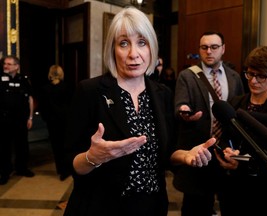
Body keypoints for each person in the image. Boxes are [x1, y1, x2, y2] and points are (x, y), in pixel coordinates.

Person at [63, 7, 215, 216]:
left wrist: (185, 155)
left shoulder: (162, 93)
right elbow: (70, 162)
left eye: (141, 43)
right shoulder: (90, 91)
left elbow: (168, 151)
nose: (134, 54)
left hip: (151, 206)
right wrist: (93, 157)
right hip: (101, 206)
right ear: (112, 49)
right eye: (124, 43)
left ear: (151, 48)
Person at [171, 31, 244, 216]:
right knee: (196, 206)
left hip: (226, 151)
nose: (209, 51)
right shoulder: (187, 76)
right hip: (199, 149)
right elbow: (180, 104)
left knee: (230, 203)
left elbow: (239, 111)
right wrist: (185, 112)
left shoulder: (234, 77)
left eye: (214, 47)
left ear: (223, 49)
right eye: (204, 47)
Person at [216, 45, 267, 216]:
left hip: (264, 194)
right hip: (233, 190)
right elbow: (225, 138)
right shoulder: (235, 102)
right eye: (250, 74)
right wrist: (227, 153)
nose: (253, 81)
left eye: (261, 76)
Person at [0, 55, 35, 185]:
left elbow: (30, 99)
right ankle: (5, 171)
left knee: (22, 145)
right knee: (4, 147)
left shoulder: (23, 80)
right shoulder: (0, 79)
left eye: (9, 64)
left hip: (21, 119)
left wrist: (30, 117)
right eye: (5, 64)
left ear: (16, 66)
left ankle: (22, 168)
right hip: (4, 119)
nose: (5, 66)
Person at [39, 65, 72, 181]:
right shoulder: (67, 87)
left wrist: (45, 118)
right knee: (66, 145)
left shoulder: (45, 88)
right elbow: (72, 104)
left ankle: (60, 169)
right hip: (65, 120)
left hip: (52, 121)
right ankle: (67, 170)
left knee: (56, 146)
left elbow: (42, 106)